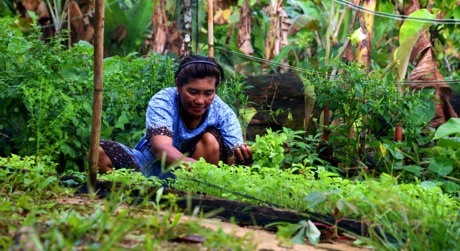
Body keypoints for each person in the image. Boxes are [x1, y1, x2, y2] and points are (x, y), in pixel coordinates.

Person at [96, 55, 253, 178]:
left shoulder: (222, 112)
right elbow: (161, 149)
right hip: (147, 164)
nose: (200, 100)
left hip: (192, 178)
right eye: (192, 92)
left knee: (211, 140)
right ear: (178, 85)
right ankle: (132, 193)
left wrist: (243, 156)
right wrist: (202, 168)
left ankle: (196, 197)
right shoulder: (164, 100)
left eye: (208, 93)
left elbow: (234, 156)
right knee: (98, 151)